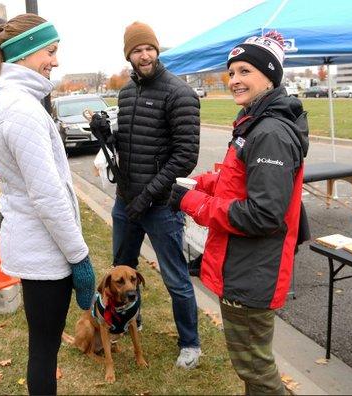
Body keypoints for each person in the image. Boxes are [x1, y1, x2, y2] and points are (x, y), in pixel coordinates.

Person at [168, 31, 309, 395]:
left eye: (245, 71)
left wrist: (193, 203)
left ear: (270, 77)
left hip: (253, 274)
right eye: (231, 73)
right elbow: (238, 181)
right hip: (241, 267)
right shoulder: (255, 122)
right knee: (251, 368)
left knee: (256, 370)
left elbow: (263, 214)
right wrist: (199, 183)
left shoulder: (271, 132)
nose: (234, 81)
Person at [0, 14, 96, 395]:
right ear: (26, 52)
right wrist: (79, 258)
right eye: (50, 51)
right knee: (44, 352)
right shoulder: (21, 109)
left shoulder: (14, 101)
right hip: (46, 254)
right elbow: (47, 196)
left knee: (42, 348)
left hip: (39, 246)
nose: (56, 61)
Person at [109, 21, 202, 369]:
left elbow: (185, 157)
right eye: (136, 50)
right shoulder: (126, 93)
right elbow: (132, 145)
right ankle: (132, 318)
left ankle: (190, 344)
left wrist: (147, 196)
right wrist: (107, 136)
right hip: (125, 201)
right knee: (123, 270)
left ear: (157, 50)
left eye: (148, 48)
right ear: (129, 56)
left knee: (176, 278)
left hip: (159, 205)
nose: (143, 55)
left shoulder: (179, 93)